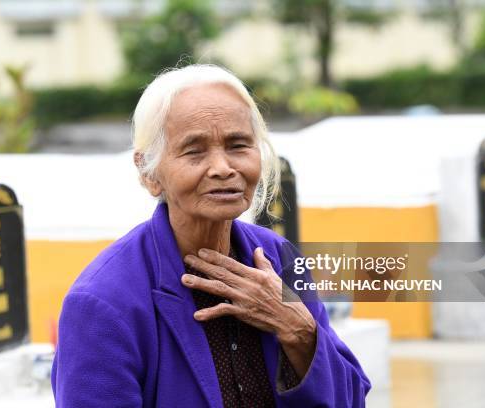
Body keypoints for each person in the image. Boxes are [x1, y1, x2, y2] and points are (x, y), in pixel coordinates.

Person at [51, 64, 371, 407]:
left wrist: (298, 331)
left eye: (238, 145)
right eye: (195, 150)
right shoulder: (103, 303)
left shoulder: (279, 259)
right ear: (149, 172)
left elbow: (351, 399)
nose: (223, 168)